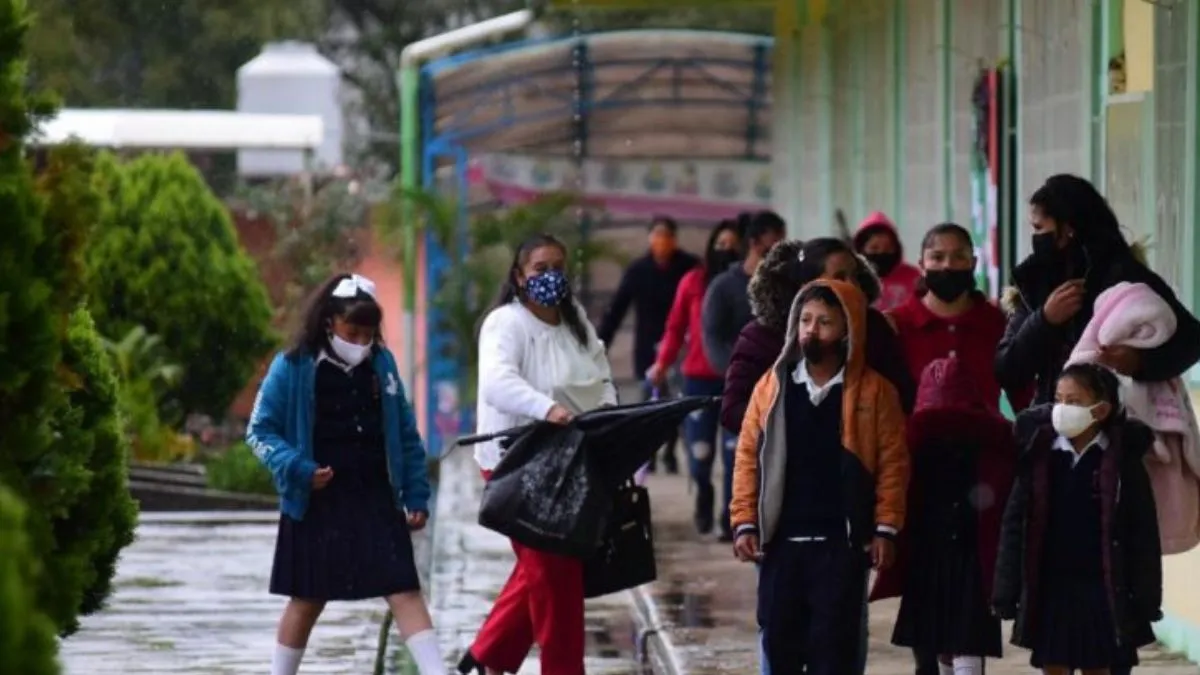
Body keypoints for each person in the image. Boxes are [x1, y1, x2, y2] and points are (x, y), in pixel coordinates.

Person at [246, 273, 443, 675]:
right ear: (328, 322)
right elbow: (260, 430)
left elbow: (406, 432)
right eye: (352, 333)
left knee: (404, 588)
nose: (360, 342)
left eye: (368, 335)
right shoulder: (293, 366)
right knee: (307, 598)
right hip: (316, 501)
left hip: (375, 494)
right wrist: (298, 469)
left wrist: (416, 495)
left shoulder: (382, 365)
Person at [730, 279, 910, 675]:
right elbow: (747, 459)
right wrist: (744, 521)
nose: (812, 330)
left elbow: (893, 465)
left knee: (834, 653)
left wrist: (886, 528)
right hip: (780, 548)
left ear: (848, 330)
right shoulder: (771, 388)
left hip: (841, 549)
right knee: (780, 648)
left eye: (825, 322)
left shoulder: (875, 393)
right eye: (805, 320)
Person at [460, 234, 617, 675]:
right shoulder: (505, 324)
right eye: (540, 269)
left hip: (571, 461)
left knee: (545, 569)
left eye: (557, 268)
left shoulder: (575, 320)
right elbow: (498, 382)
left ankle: (488, 657)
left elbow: (601, 374)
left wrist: (607, 414)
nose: (550, 277)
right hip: (518, 466)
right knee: (555, 576)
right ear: (519, 276)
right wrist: (548, 409)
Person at [993, 364, 1163, 675]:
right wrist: (1006, 592)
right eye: (1059, 399)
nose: (1062, 409)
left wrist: (1146, 598)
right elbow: (1014, 526)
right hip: (1052, 587)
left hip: (1101, 587)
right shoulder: (1040, 456)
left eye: (1074, 401)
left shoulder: (1121, 462)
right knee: (1054, 665)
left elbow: (1143, 534)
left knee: (1098, 665)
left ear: (1101, 410)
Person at [995, 174, 1200, 407]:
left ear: (1068, 227)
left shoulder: (1122, 275)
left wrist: (1139, 361)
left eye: (1039, 227)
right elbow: (1007, 369)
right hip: (1051, 419)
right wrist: (1044, 320)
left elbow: (1190, 340)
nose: (1036, 238)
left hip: (1117, 419)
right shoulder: (1034, 281)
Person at [872, 357, 1016, 675]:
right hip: (965, 556)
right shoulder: (996, 443)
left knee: (938, 641)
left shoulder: (911, 443)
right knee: (963, 640)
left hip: (935, 555)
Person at [722, 237, 915, 437]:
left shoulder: (873, 326)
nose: (852, 286)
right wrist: (796, 427)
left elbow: (903, 395)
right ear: (808, 285)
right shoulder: (763, 336)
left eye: (855, 276)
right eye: (840, 277)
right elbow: (734, 410)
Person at [647, 219, 742, 537]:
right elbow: (675, 327)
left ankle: (730, 517)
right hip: (698, 379)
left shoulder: (747, 285)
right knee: (700, 453)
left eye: (733, 245)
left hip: (735, 379)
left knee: (735, 454)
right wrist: (662, 363)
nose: (726, 250)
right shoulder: (692, 282)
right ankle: (703, 493)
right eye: (721, 244)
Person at [888, 222, 1032, 414]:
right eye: (937, 257)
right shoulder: (895, 324)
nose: (948, 265)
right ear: (922, 266)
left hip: (985, 433)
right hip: (914, 433)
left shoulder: (997, 323)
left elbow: (1022, 394)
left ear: (973, 263)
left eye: (959, 257)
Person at [597, 215, 697, 474]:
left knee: (674, 402)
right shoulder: (638, 270)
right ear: (650, 238)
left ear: (674, 239)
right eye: (657, 235)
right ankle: (648, 452)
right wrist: (600, 344)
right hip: (647, 345)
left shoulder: (689, 268)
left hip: (679, 346)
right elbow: (617, 309)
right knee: (648, 403)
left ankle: (670, 451)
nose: (661, 241)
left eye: (666, 235)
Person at [702, 210, 787, 373]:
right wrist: (736, 370)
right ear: (754, 243)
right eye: (771, 249)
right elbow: (714, 338)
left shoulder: (783, 285)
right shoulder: (723, 287)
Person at [853, 211, 921, 311]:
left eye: (888, 248)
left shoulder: (914, 277)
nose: (881, 252)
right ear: (861, 249)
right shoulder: (852, 278)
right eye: (874, 248)